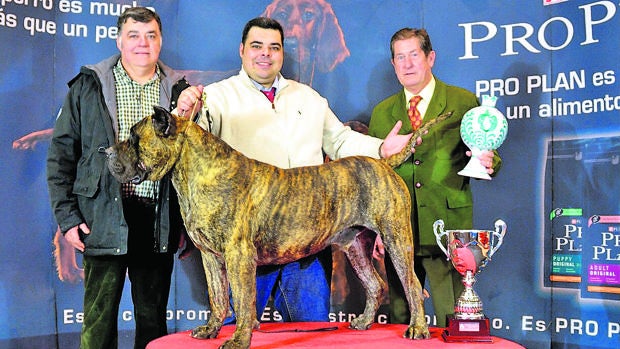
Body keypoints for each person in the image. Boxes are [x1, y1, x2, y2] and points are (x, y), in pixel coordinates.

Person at [176, 17, 413, 323]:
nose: (265, 54)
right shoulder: (214, 97)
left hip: (307, 244)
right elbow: (185, 140)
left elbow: (339, 141)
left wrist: (380, 149)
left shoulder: (308, 97)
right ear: (242, 50)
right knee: (239, 335)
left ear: (282, 54)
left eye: (274, 47)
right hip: (246, 244)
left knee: (309, 335)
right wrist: (183, 112)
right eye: (257, 46)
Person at [46, 7, 190, 349]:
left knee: (153, 322)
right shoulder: (87, 85)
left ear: (161, 41)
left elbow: (192, 166)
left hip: (159, 220)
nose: (143, 43)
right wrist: (68, 219)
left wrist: (185, 223)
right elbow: (61, 155)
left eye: (151, 35)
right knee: (98, 324)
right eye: (134, 35)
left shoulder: (179, 91)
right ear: (119, 40)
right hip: (102, 216)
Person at [367, 28, 502, 328]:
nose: (407, 63)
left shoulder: (463, 100)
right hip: (397, 233)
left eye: (414, 54)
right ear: (393, 64)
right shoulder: (381, 113)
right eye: (400, 57)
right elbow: (375, 180)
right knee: (401, 323)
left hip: (447, 232)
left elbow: (485, 150)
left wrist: (490, 161)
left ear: (430, 58)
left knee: (450, 320)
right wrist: (377, 229)